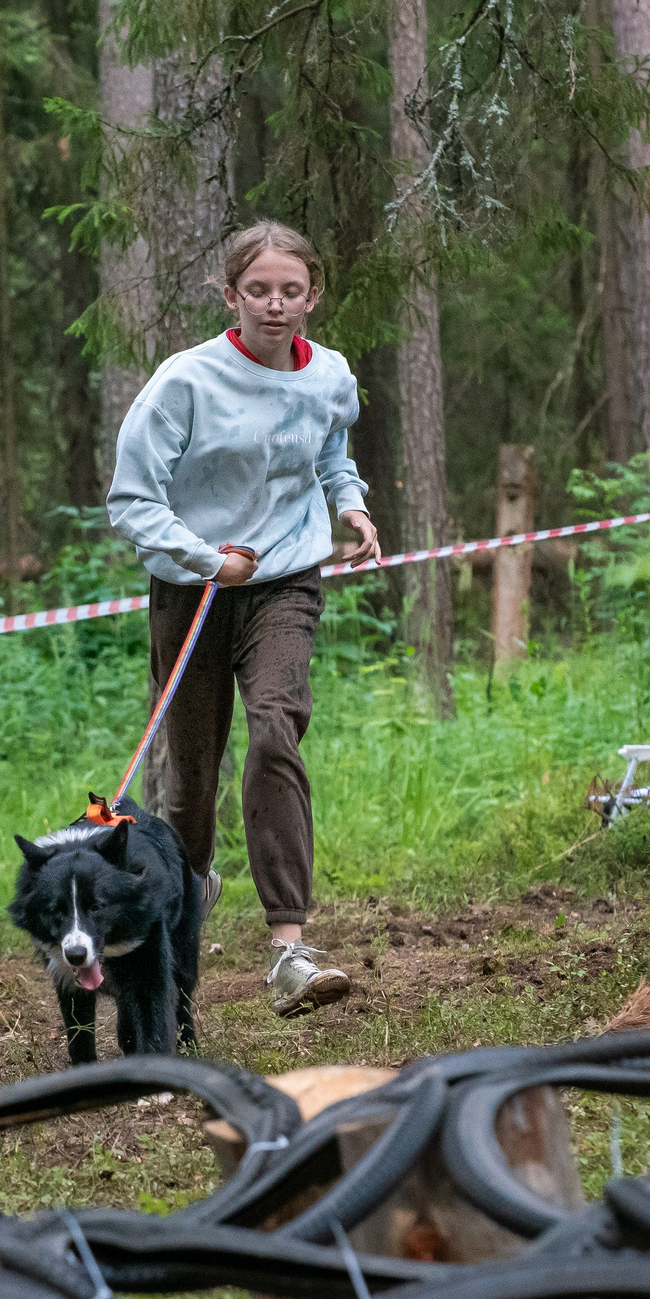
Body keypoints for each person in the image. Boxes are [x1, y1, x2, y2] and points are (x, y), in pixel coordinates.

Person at [105, 221, 380, 1017]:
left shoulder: (329, 374)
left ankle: (289, 948)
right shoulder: (184, 382)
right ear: (231, 296)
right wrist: (201, 557)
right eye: (259, 289)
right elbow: (130, 499)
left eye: (291, 290)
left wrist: (351, 506)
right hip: (193, 589)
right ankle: (181, 927)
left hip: (284, 578)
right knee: (190, 784)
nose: (275, 304)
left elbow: (332, 450)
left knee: (274, 730)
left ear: (312, 296)